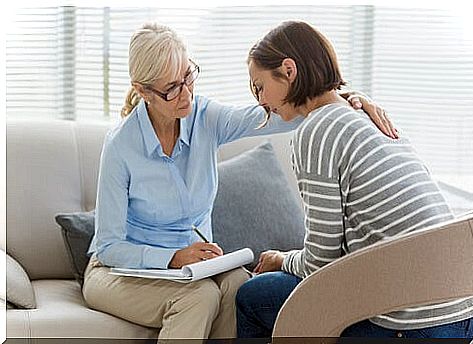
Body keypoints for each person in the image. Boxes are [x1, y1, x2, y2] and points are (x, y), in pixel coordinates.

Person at [81, 22, 394, 342]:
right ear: (143, 90)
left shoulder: (204, 117)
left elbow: (280, 111)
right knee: (198, 298)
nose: (186, 94)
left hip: (192, 270)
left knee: (238, 286)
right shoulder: (121, 145)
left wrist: (347, 100)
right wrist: (173, 258)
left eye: (188, 76)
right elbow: (109, 247)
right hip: (116, 273)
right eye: (172, 88)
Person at [236, 20, 473, 340]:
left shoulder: (315, 131)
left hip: (412, 324)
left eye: (259, 86)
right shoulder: (368, 115)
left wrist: (282, 259)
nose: (260, 101)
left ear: (288, 70)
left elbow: (320, 263)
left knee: (251, 297)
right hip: (464, 312)